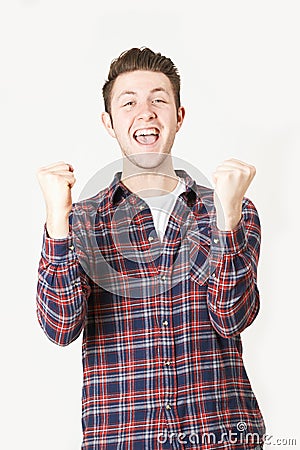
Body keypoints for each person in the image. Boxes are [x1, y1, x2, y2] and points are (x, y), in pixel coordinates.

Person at [36, 47, 266, 450]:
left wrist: (227, 220)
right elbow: (60, 327)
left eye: (159, 99)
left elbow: (233, 317)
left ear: (178, 116)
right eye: (129, 103)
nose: (145, 112)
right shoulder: (80, 220)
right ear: (109, 123)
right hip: (125, 439)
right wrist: (58, 221)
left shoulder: (233, 207)